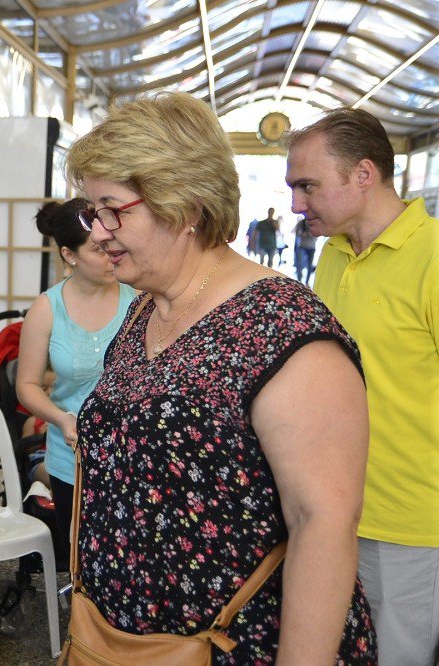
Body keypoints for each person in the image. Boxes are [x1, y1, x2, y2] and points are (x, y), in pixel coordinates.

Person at [63, 92, 376, 663]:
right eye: (93, 211)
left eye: (113, 209)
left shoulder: (285, 331)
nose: (99, 231)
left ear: (181, 206)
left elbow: (323, 524)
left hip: (234, 645)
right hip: (122, 638)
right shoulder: (147, 309)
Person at [286, 107, 439, 666]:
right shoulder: (333, 254)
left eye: (308, 186)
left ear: (364, 175)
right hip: (329, 508)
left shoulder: (433, 256)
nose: (298, 204)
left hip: (406, 519)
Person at [16, 198, 136, 552]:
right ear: (69, 255)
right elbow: (26, 385)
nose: (111, 253)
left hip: (128, 454)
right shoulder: (47, 308)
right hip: (73, 455)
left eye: (113, 242)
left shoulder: (138, 299)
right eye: (98, 249)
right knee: (81, 556)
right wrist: (60, 418)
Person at [292, 215, 317, 286]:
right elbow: (296, 233)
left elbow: (318, 234)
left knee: (309, 265)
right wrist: (302, 234)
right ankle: (299, 281)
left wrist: (309, 234)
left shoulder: (315, 222)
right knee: (299, 264)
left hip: (311, 246)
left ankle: (307, 282)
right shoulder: (301, 223)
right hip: (302, 246)